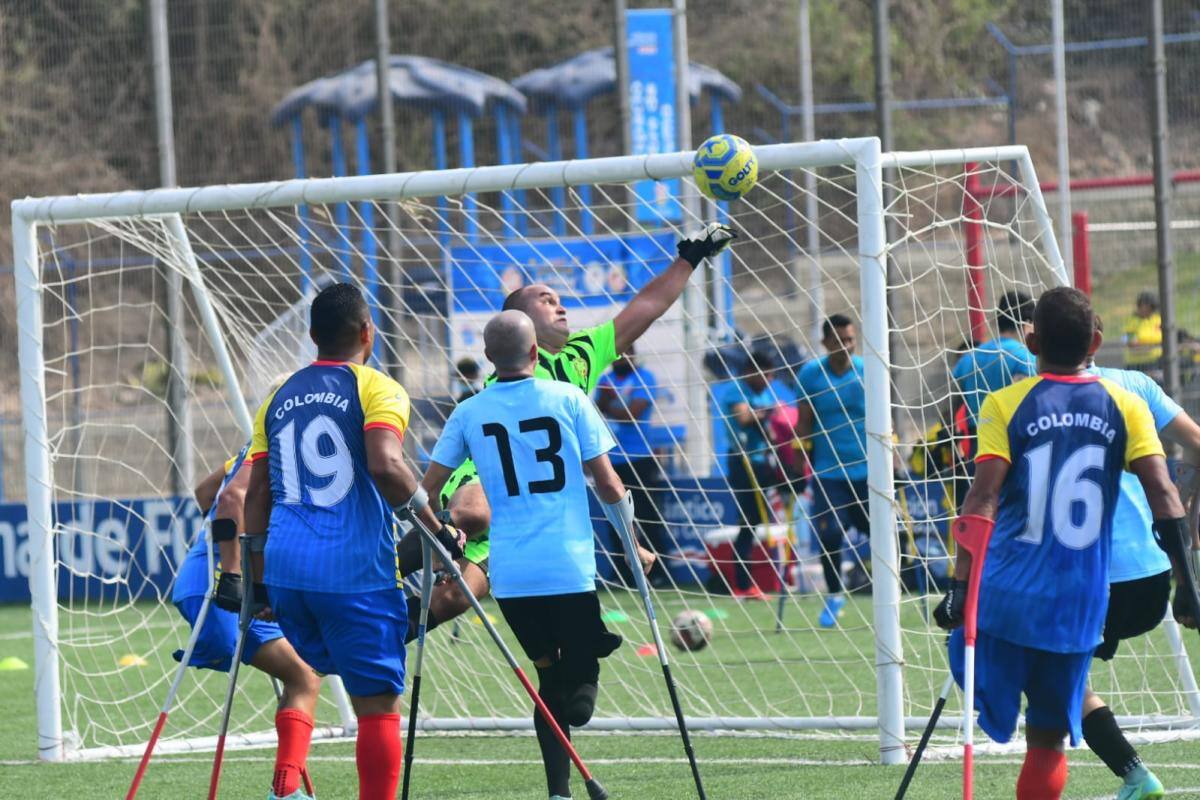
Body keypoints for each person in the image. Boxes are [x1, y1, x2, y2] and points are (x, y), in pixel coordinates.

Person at [394, 223, 736, 635]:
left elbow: (647, 306)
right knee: (473, 513)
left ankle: (374, 636)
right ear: (519, 322)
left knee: (455, 598)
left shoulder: (583, 354)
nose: (561, 307)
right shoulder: (513, 361)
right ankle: (383, 568)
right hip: (487, 471)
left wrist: (689, 259)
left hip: (527, 509)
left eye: (560, 300)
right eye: (547, 300)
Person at [934, 287, 1191, 800]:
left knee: (972, 661)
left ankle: (1014, 704)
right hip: (1083, 601)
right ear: (1096, 340)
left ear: (1031, 342)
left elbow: (981, 500)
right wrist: (1188, 584)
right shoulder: (1128, 402)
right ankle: (1118, 764)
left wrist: (960, 587)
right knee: (1048, 730)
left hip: (1013, 593)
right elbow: (1164, 494)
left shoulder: (1006, 403)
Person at [241, 282, 462, 800]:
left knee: (307, 678)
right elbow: (385, 463)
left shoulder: (278, 394)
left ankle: (287, 787)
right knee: (377, 706)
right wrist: (435, 530)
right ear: (369, 332)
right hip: (352, 572)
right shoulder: (376, 387)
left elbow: (255, 496)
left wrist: (258, 585)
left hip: (285, 572)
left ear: (313, 336)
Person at [421, 310, 653, 800]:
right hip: (567, 565)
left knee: (548, 676)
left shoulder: (469, 411)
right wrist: (631, 545)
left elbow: (425, 492)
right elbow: (609, 483)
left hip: (511, 575)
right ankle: (584, 684)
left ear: (488, 358)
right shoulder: (568, 397)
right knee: (579, 672)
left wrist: (441, 532)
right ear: (536, 353)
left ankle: (558, 793)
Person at [1078, 315, 1200, 800]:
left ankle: (1135, 775)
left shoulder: (1030, 397)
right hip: (1154, 579)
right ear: (1098, 343)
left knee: (1045, 676)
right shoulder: (1134, 384)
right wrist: (1191, 539)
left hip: (1088, 580)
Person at [174, 444, 322, 800]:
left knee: (304, 676)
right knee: (303, 675)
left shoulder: (253, 447)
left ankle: (286, 791)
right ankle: (285, 791)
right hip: (223, 587)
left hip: (217, 582)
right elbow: (228, 499)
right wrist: (233, 568)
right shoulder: (278, 447)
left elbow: (204, 492)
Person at [795, 314, 868, 627]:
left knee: (886, 536)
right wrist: (799, 464)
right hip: (828, 473)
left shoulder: (868, 371)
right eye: (839, 340)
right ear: (825, 343)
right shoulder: (811, 374)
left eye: (850, 339)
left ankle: (886, 591)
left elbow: (885, 417)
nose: (846, 346)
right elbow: (804, 423)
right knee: (830, 534)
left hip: (868, 471)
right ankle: (835, 595)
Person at [595, 344, 671, 587]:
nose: (621, 357)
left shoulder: (644, 377)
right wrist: (607, 404)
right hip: (612, 459)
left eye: (627, 352)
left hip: (640, 457)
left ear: (634, 354)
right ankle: (623, 574)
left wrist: (610, 403)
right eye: (617, 353)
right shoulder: (605, 379)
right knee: (616, 518)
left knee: (648, 516)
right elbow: (597, 409)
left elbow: (633, 413)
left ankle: (658, 573)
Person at [717, 349, 781, 599]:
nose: (769, 380)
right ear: (749, 373)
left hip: (762, 460)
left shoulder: (762, 392)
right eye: (766, 375)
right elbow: (744, 418)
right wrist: (768, 413)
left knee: (755, 521)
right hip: (742, 462)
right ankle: (743, 585)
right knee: (748, 520)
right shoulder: (737, 390)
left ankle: (759, 580)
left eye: (772, 376)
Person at [1122, 291, 1163, 372]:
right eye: (1149, 307)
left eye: (1153, 308)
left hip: (1158, 362)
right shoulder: (1131, 321)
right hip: (1137, 364)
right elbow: (1131, 343)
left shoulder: (1157, 319)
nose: (1151, 311)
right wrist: (1154, 346)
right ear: (1141, 306)